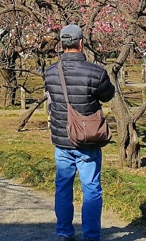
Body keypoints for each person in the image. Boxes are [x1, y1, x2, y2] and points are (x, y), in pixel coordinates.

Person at [43, 24, 115, 241]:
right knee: (91, 189)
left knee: (63, 188)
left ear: (62, 44)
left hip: (62, 141)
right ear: (81, 43)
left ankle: (64, 232)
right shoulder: (96, 72)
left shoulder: (50, 72)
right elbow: (108, 95)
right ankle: (91, 236)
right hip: (87, 141)